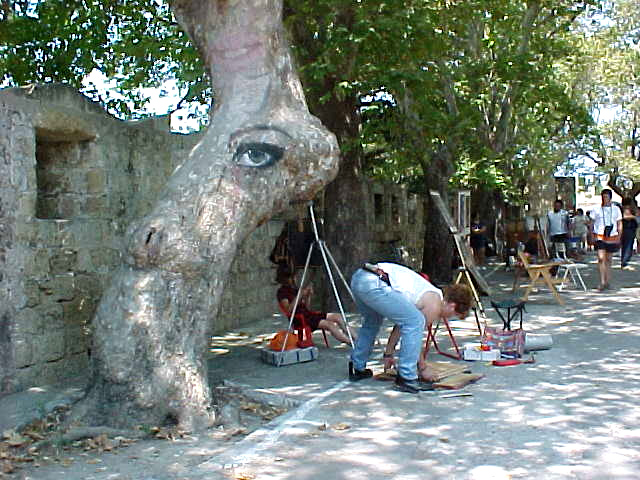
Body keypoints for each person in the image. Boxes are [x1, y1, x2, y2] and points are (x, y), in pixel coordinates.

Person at [348, 262, 473, 394]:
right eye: (454, 315)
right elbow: (414, 335)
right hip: (376, 283)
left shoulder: (430, 293)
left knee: (372, 321)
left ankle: (357, 367)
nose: (448, 318)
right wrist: (423, 368)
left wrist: (388, 354)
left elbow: (401, 325)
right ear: (452, 306)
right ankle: (406, 377)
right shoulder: (434, 304)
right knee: (416, 321)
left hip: (362, 278)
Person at [275, 264, 352, 344]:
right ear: (284, 279)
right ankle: (350, 342)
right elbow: (289, 310)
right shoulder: (282, 292)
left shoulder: (294, 289)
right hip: (300, 319)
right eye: (291, 277)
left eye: (293, 276)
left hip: (308, 315)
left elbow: (306, 306)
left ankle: (355, 337)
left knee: (337, 316)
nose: (294, 279)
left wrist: (308, 296)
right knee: (329, 324)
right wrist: (299, 295)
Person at [591, 189, 623, 291]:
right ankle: (602, 282)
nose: (605, 199)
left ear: (610, 198)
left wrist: (619, 235)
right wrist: (591, 235)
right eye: (603, 197)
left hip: (612, 236)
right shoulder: (596, 209)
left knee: (609, 259)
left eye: (606, 197)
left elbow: (619, 223)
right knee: (601, 258)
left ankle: (607, 281)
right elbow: (591, 223)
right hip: (600, 236)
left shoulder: (616, 209)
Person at [620, 205, 638, 269]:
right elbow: (625, 217)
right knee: (626, 247)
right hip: (626, 232)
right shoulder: (624, 218)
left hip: (631, 232)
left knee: (629, 248)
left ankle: (625, 261)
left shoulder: (632, 219)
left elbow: (636, 225)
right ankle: (624, 262)